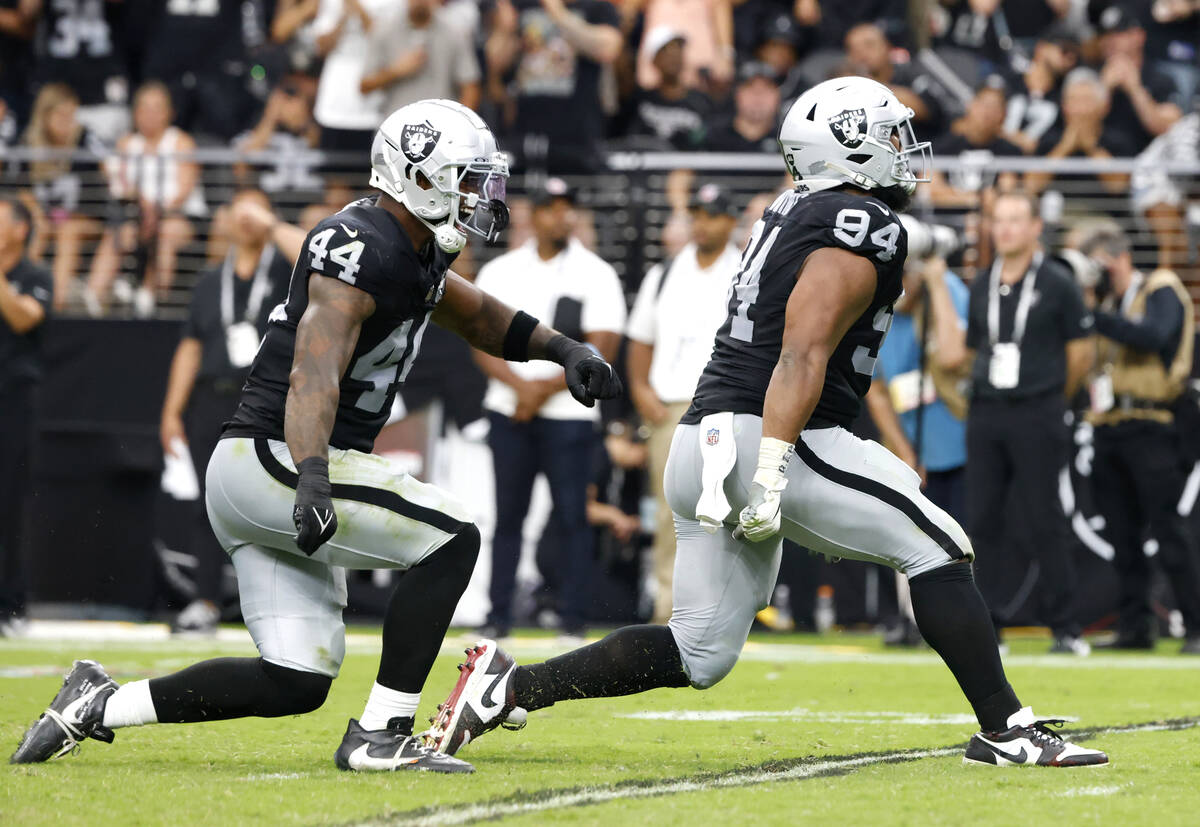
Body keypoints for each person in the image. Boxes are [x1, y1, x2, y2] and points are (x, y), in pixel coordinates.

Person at [428, 78, 1108, 769]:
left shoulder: (796, 207)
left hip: (702, 439)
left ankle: (510, 686)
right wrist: (774, 466)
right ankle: (1006, 727)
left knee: (699, 650)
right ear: (849, 144)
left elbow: (870, 264)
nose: (903, 149)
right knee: (939, 544)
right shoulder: (861, 225)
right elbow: (802, 350)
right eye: (889, 134)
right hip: (773, 432)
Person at [11, 99, 623, 771]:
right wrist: (311, 473)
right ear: (420, 177)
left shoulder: (413, 251)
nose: (482, 197)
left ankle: (98, 702)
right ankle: (381, 733)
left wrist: (566, 350)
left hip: (276, 463)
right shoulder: (360, 243)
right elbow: (314, 369)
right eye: (468, 179)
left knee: (295, 678)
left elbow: (477, 315)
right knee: (452, 536)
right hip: (273, 456)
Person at [473, 177, 627, 639]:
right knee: (508, 517)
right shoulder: (501, 270)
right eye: (551, 208)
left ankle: (572, 619)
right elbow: (477, 339)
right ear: (531, 215)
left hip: (569, 414)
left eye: (568, 207)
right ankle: (497, 617)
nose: (562, 216)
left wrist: (536, 393)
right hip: (509, 408)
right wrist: (520, 388)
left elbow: (603, 347)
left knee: (572, 517)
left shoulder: (597, 272)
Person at [159, 190, 304, 635]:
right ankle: (205, 601)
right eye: (238, 209)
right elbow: (191, 346)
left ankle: (282, 604)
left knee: (277, 500)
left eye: (254, 209)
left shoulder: (285, 271)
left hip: (267, 400)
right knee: (210, 503)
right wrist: (171, 411)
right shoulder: (209, 281)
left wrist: (270, 224)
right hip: (213, 398)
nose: (245, 218)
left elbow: (312, 252)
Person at [964, 190, 1094, 655]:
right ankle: (987, 627)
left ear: (1036, 227)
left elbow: (1081, 353)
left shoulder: (1057, 282)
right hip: (987, 411)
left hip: (1038, 408)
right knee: (981, 519)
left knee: (1045, 517)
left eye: (1016, 219)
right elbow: (974, 345)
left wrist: (1052, 397)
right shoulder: (983, 282)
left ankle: (1066, 626)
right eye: (999, 220)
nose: (1006, 229)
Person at [1079, 226, 1200, 655]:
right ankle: (1135, 626)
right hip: (1110, 426)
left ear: (1116, 260)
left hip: (1153, 424)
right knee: (1122, 534)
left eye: (1097, 267)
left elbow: (1154, 336)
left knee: (1168, 529)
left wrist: (1095, 316)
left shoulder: (1161, 286)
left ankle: (1195, 627)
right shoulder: (1108, 306)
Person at [626, 182, 740, 624]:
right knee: (671, 508)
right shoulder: (665, 273)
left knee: (727, 509)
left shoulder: (745, 272)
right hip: (670, 405)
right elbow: (640, 339)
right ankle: (667, 605)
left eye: (711, 215)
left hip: (725, 406)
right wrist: (640, 391)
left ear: (730, 222)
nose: (702, 224)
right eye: (696, 215)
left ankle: (724, 608)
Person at [86, 81, 205, 317]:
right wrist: (142, 207)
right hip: (137, 215)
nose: (149, 115)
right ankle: (92, 299)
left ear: (169, 112)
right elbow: (119, 185)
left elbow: (184, 189)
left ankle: (150, 300)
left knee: (166, 232)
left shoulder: (182, 142)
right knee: (120, 234)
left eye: (156, 108)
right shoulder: (126, 144)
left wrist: (156, 212)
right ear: (135, 112)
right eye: (144, 108)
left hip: (178, 217)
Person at [484, 0, 623, 173]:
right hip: (525, 131)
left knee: (575, 192)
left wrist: (558, 13)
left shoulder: (597, 7)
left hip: (577, 134)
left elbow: (608, 49)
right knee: (519, 193)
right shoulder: (522, 5)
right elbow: (494, 63)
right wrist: (504, 31)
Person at [0, 198, 52, 638]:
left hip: (13, 399)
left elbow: (23, 317)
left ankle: (11, 606)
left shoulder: (35, 276)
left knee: (10, 501)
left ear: (20, 229)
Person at [19, 84, 108, 310]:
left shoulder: (85, 141)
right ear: (45, 115)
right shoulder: (29, 144)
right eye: (61, 115)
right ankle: (22, 293)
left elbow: (100, 194)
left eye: (71, 116)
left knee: (68, 229)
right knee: (36, 227)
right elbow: (21, 191)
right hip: (45, 221)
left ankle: (53, 306)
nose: (67, 122)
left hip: (84, 221)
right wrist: (38, 214)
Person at [360, 0, 481, 115]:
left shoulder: (455, 31)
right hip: (395, 123)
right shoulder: (384, 29)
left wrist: (458, 123)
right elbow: (364, 86)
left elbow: (470, 86)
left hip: (440, 124)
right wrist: (395, 71)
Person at [1093, 3, 1182, 153]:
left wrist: (1135, 90)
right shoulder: (1091, 74)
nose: (1110, 40)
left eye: (1119, 33)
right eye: (1106, 34)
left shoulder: (1160, 78)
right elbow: (1077, 124)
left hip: (1148, 164)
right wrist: (1103, 88)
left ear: (1138, 36)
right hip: (1102, 164)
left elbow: (1170, 129)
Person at [626, 26, 712, 150]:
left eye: (678, 50)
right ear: (654, 60)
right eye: (665, 51)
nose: (674, 56)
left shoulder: (702, 101)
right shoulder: (639, 100)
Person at [703, 62, 779, 153]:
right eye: (750, 87)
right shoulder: (712, 138)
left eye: (767, 88)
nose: (758, 95)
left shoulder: (789, 140)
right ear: (737, 94)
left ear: (778, 95)